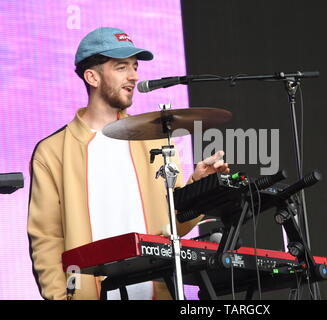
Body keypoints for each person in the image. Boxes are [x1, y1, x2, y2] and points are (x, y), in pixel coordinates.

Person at [27, 27, 229, 300]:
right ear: (92, 76)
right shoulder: (52, 152)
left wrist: (198, 187)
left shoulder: (158, 140)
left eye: (134, 67)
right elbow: (46, 239)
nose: (134, 76)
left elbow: (174, 227)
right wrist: (62, 298)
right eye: (122, 67)